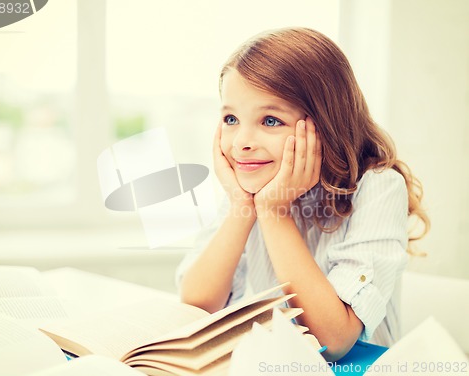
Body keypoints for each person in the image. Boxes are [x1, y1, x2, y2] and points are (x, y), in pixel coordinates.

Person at [175, 27, 429, 361]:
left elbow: (333, 341)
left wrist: (275, 213)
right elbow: (195, 308)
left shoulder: (378, 188)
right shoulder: (251, 189)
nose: (241, 142)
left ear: (324, 124)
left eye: (269, 120)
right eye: (231, 118)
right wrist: (243, 205)